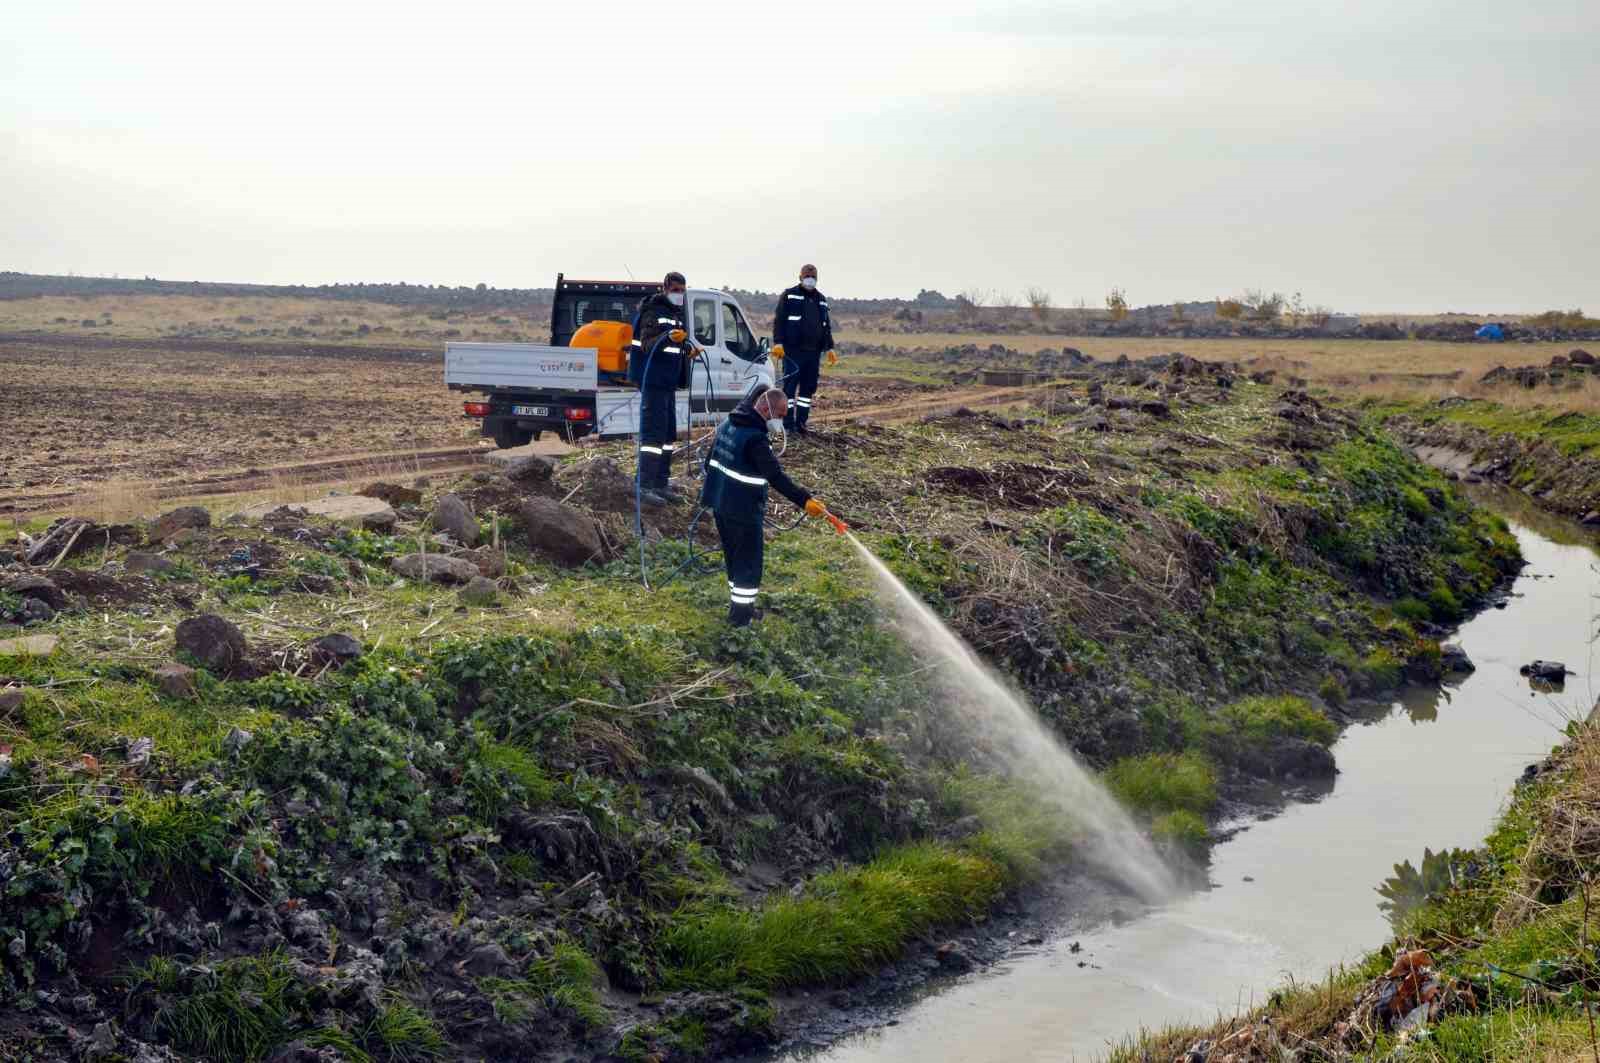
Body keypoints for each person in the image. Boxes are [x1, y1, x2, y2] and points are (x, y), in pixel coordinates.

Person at [700, 386, 830, 626]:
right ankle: (740, 622)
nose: (780, 421)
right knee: (748, 565)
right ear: (764, 407)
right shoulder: (755, 438)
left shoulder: (729, 424)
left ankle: (741, 607)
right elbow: (775, 476)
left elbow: (709, 463)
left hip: (719, 504)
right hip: (742, 511)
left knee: (734, 559)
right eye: (779, 415)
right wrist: (805, 500)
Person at [631, 271, 693, 505]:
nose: (679, 295)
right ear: (665, 288)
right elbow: (647, 344)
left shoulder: (675, 313)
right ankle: (644, 485)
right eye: (675, 290)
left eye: (682, 291)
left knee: (668, 436)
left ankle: (661, 483)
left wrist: (687, 349)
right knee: (653, 436)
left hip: (668, 384)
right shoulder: (653, 311)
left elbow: (674, 345)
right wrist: (669, 337)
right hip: (653, 382)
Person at [770, 263, 837, 434]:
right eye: (807, 277)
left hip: (813, 353)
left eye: (813, 277)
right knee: (790, 389)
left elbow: (825, 326)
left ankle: (801, 424)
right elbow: (779, 320)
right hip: (793, 351)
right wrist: (778, 342)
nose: (810, 280)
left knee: (807, 390)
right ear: (800, 278)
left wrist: (829, 347)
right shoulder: (790, 295)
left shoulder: (821, 299)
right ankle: (787, 425)